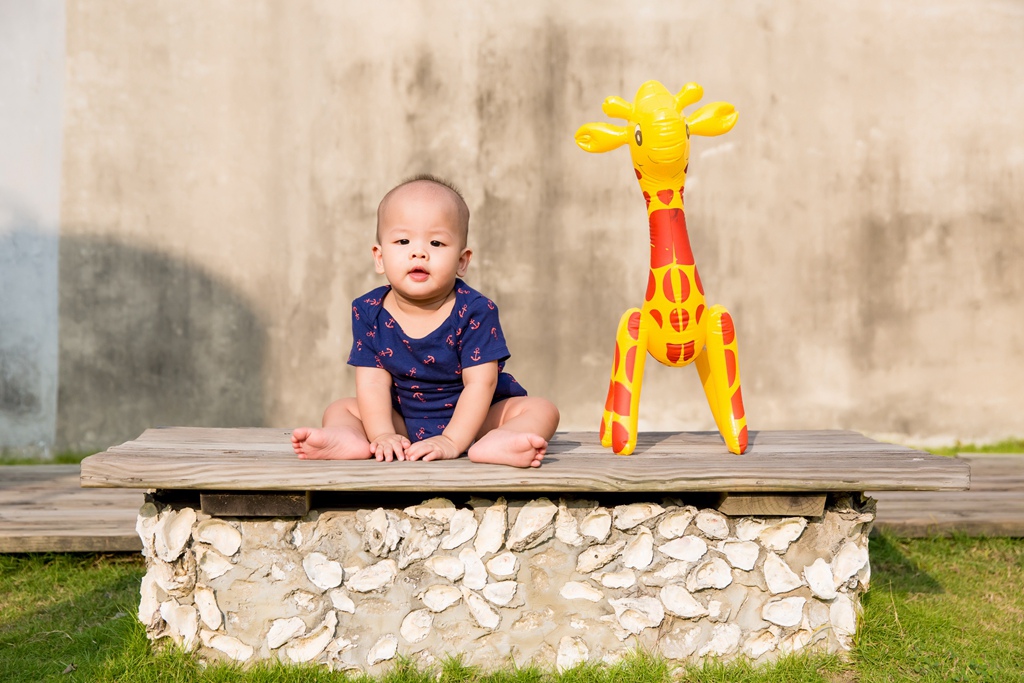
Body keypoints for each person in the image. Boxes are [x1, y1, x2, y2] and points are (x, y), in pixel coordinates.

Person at [291, 175, 559, 467]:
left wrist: (453, 440)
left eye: (436, 242)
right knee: (342, 407)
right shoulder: (368, 310)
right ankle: (349, 436)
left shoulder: (475, 310)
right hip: (403, 419)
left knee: (541, 410)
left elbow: (481, 384)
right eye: (403, 240)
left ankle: (500, 441)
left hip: (476, 419)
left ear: (461, 261)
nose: (419, 252)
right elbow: (372, 384)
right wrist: (382, 433)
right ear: (379, 257)